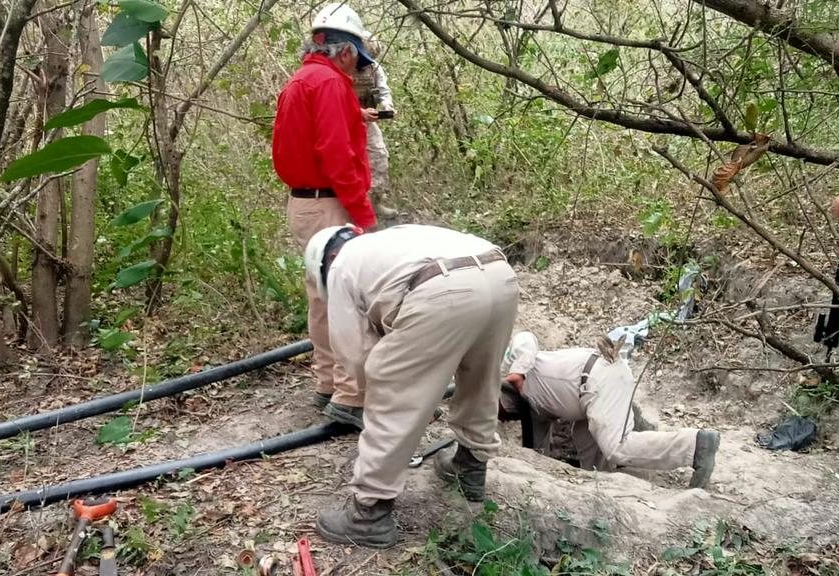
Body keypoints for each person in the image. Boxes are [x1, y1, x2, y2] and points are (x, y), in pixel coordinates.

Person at [303, 224, 518, 548]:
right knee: (482, 378)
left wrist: (392, 394)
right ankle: (470, 468)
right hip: (500, 276)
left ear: (328, 259)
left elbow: (355, 354)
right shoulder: (391, 242)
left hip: (443, 291)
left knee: (391, 393)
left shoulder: (342, 266)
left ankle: (370, 515)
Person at [272, 3, 377, 427]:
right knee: (350, 300)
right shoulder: (331, 85)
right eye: (357, 64)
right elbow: (337, 157)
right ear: (347, 52)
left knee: (323, 298)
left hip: (306, 203)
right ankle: (352, 396)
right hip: (330, 202)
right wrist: (363, 215)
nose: (356, 73)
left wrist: (356, 115)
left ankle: (329, 384)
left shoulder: (301, 81)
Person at [498, 331, 720, 488]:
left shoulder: (510, 364)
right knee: (590, 452)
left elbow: (525, 338)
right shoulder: (535, 408)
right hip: (588, 396)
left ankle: (695, 445)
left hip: (599, 379)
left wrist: (518, 370)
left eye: (498, 411)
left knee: (616, 447)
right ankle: (606, 490)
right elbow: (537, 456)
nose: (502, 418)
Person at [352, 40, 398, 220]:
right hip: (343, 120)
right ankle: (351, 207)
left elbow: (383, 90)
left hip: (368, 121)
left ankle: (375, 201)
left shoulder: (374, 68)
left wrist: (387, 106)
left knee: (379, 156)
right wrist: (357, 112)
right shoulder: (341, 67)